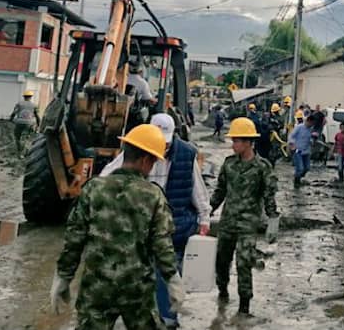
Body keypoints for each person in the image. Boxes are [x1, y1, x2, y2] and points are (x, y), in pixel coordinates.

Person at [51, 124, 183, 329]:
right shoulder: (153, 195)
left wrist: (63, 276)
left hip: (97, 288)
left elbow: (74, 239)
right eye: (154, 162)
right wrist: (172, 279)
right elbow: (162, 244)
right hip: (137, 290)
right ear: (146, 160)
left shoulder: (94, 189)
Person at [100, 114, 211, 328]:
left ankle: (167, 320)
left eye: (165, 144)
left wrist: (204, 219)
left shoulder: (186, 155)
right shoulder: (135, 152)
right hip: (139, 230)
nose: (161, 149)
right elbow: (106, 177)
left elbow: (199, 192)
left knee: (166, 273)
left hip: (174, 228)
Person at [210, 118, 278, 316]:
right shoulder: (229, 164)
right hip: (228, 221)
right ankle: (222, 290)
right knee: (222, 261)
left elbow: (269, 196)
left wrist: (273, 222)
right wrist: (208, 210)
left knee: (244, 263)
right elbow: (220, 190)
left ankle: (244, 305)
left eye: (236, 141)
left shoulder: (262, 167)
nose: (233, 145)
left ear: (248, 142)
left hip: (248, 224)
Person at [10, 90, 40, 154]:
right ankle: (25, 151)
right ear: (31, 97)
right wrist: (38, 125)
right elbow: (37, 116)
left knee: (17, 137)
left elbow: (14, 113)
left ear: (24, 97)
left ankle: (19, 151)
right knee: (26, 138)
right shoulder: (34, 105)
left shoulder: (19, 104)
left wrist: (11, 119)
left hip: (19, 123)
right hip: (29, 123)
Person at [288, 113, 313, 187]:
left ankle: (299, 177)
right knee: (300, 168)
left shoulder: (310, 129)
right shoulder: (299, 127)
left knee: (307, 168)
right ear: (308, 121)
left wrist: (312, 141)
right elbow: (291, 136)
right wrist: (292, 144)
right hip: (298, 150)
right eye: (311, 123)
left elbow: (310, 139)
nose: (311, 125)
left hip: (306, 151)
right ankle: (296, 182)